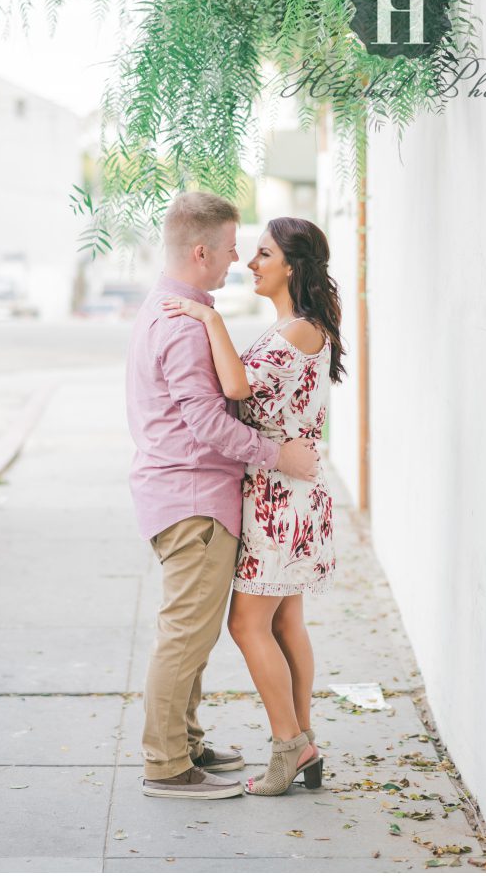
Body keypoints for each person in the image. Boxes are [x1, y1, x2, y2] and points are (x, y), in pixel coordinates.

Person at [125, 191, 320, 799]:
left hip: (190, 494)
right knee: (186, 634)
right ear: (201, 249)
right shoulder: (183, 322)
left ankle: (186, 740)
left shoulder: (174, 307)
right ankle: (168, 765)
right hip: (193, 498)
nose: (239, 259)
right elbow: (209, 422)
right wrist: (278, 455)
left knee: (198, 632)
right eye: (235, 248)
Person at [161, 216, 344, 796]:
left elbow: (237, 389)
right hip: (285, 492)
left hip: (278, 499)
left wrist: (209, 318)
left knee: (248, 624)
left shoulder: (301, 331)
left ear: (290, 265)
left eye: (263, 254)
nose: (250, 263)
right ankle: (303, 738)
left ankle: (291, 747)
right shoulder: (295, 326)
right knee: (285, 621)